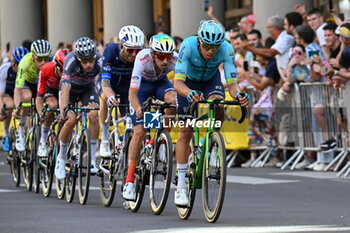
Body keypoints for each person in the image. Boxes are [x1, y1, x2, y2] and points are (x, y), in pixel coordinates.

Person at [173, 20, 248, 206]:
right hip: (187, 83)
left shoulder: (227, 49)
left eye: (215, 47)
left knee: (218, 105)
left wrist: (238, 94)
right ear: (199, 41)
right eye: (207, 46)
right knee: (186, 131)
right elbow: (177, 84)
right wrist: (190, 94)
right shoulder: (187, 46)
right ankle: (181, 186)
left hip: (210, 81)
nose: (211, 51)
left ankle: (213, 143)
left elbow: (232, 84)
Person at [122, 34, 177, 200]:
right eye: (161, 56)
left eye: (168, 56)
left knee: (173, 101)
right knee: (139, 131)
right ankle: (129, 181)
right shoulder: (142, 58)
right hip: (142, 88)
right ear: (153, 54)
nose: (165, 61)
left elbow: (183, 83)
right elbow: (132, 92)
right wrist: (138, 108)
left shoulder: (176, 59)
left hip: (161, 84)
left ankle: (160, 143)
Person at [55, 37, 102, 180]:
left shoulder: (100, 60)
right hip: (70, 90)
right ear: (78, 58)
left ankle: (92, 159)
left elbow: (104, 83)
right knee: (70, 120)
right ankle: (61, 158)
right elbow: (65, 87)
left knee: (94, 114)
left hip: (87, 89)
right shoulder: (70, 60)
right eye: (84, 61)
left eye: (91, 60)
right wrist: (63, 112)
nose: (88, 65)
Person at [97, 25, 145, 158]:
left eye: (137, 50)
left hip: (126, 89)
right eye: (130, 51)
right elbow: (105, 82)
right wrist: (111, 96)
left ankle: (126, 144)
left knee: (130, 119)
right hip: (109, 84)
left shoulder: (140, 56)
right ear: (121, 46)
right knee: (106, 99)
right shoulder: (111, 50)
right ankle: (105, 138)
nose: (134, 55)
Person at [13, 39, 52, 152]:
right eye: (40, 59)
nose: (43, 62)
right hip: (28, 83)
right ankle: (21, 132)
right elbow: (17, 90)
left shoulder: (52, 61)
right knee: (26, 97)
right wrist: (17, 108)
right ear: (33, 57)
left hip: (43, 82)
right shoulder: (25, 62)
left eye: (46, 58)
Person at [36, 49, 69, 157]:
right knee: (52, 105)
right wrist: (41, 112)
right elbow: (39, 96)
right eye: (61, 71)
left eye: (66, 71)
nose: (63, 74)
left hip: (65, 89)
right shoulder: (45, 69)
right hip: (50, 90)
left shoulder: (71, 72)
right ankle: (43, 140)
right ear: (56, 66)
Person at [244, 15, 294, 81]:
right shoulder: (278, 40)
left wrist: (249, 48)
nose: (268, 30)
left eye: (268, 27)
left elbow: (270, 53)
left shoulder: (286, 38)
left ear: (275, 28)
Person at [0, 46, 28, 151]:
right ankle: (6, 134)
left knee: (26, 103)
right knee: (10, 105)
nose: (22, 67)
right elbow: (0, 95)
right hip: (7, 92)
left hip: (20, 91)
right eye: (19, 65)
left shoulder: (27, 69)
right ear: (13, 63)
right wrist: (1, 111)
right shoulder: (4, 69)